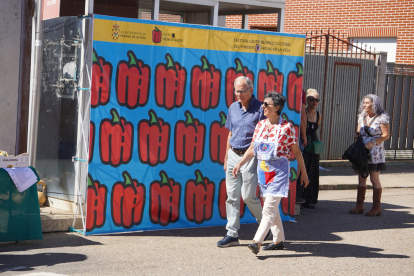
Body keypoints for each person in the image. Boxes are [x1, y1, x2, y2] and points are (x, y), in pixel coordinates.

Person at [232, 92, 309, 255]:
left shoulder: (287, 127)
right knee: (271, 206)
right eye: (263, 104)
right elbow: (252, 148)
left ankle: (257, 241)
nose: (263, 107)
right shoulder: (260, 125)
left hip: (279, 171)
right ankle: (279, 239)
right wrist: (240, 163)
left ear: (277, 107)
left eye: (267, 104)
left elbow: (297, 152)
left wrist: (304, 172)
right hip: (264, 171)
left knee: (268, 208)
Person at [217, 76, 266, 248]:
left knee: (248, 196)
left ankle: (264, 226)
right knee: (232, 197)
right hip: (232, 156)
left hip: (250, 157)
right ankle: (232, 233)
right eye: (236, 91)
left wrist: (244, 159)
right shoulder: (233, 107)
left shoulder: (261, 109)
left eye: (242, 91)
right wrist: (226, 157)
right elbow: (230, 133)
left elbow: (258, 139)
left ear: (251, 90)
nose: (238, 94)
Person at [349, 94, 389, 217]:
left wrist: (373, 142)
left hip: (375, 153)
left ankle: (376, 208)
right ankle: (359, 206)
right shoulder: (362, 117)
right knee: (361, 178)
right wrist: (357, 136)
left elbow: (386, 135)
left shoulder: (382, 117)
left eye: (367, 103)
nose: (364, 105)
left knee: (374, 179)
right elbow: (358, 132)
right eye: (364, 103)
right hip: (362, 152)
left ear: (374, 104)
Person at [296, 89, 322, 209]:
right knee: (302, 170)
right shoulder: (303, 113)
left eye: (316, 100)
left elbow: (315, 129)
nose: (314, 102)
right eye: (311, 99)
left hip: (313, 143)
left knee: (313, 171)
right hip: (304, 142)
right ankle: (299, 197)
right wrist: (305, 138)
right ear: (306, 100)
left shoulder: (318, 115)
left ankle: (309, 199)